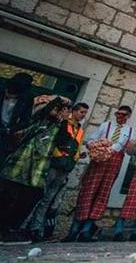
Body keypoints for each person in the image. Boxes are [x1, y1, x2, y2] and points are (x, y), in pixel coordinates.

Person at [0, 95, 70, 240]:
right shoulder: (39, 120)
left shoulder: (59, 128)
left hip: (36, 174)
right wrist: (57, 100)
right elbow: (42, 113)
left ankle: (9, 230)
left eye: (59, 110)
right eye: (55, 109)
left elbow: (64, 142)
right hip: (17, 168)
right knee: (4, 199)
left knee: (24, 204)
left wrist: (64, 120)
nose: (56, 112)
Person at [66, 105, 136, 242]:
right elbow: (91, 140)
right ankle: (74, 229)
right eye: (118, 114)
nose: (120, 117)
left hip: (114, 162)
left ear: (128, 117)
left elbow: (129, 150)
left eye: (123, 115)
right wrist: (99, 146)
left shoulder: (130, 131)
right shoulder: (106, 126)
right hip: (99, 160)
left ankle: (87, 229)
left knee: (103, 192)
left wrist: (131, 147)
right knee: (88, 190)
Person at [24, 102, 88, 241]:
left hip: (66, 167)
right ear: (74, 111)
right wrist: (60, 154)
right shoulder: (63, 124)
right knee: (39, 195)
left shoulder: (79, 129)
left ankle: (36, 228)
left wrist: (77, 156)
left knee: (48, 199)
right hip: (53, 164)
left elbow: (76, 145)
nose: (83, 115)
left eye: (85, 113)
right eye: (82, 112)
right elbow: (53, 141)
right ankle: (26, 226)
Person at [0, 73, 35, 170]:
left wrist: (9, 130)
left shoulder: (27, 99)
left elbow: (25, 121)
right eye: (7, 93)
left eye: (12, 95)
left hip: (4, 139)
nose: (9, 96)